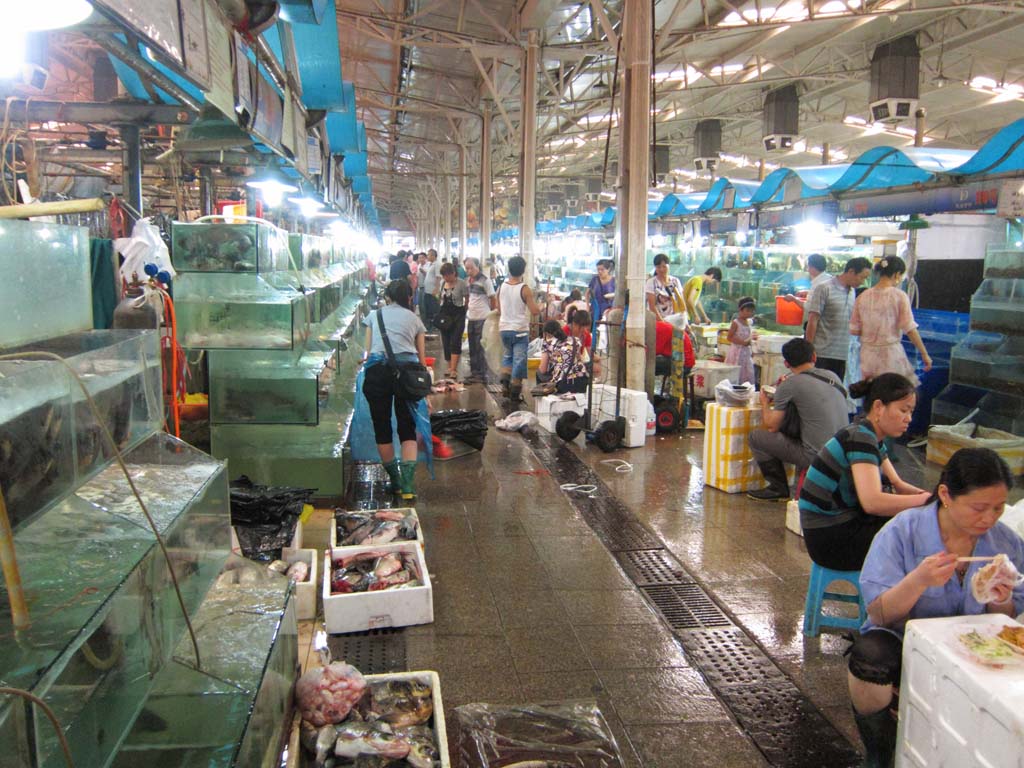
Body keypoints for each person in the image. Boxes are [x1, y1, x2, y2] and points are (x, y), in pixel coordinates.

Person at [847, 448, 1022, 766]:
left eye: (998, 508)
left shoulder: (1006, 544)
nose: (989, 518)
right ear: (945, 494)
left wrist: (1001, 599)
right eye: (979, 508)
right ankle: (878, 753)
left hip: (976, 649)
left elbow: (1007, 621)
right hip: (903, 643)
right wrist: (918, 580)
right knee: (868, 658)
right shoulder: (903, 532)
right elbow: (879, 614)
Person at [799, 373, 931, 571]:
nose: (909, 419)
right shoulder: (861, 438)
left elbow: (899, 485)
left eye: (911, 412)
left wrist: (932, 500)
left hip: (833, 528)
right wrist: (929, 501)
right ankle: (894, 598)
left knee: (915, 524)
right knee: (914, 536)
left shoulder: (868, 435)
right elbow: (872, 502)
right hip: (830, 537)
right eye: (904, 410)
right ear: (878, 407)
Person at [747, 338, 850, 501]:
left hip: (817, 456)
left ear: (786, 364)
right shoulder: (833, 376)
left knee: (756, 437)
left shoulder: (789, 385)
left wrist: (765, 403)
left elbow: (772, 426)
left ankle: (777, 488)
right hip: (844, 451)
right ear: (814, 357)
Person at [361, 279, 427, 502]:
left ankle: (396, 481)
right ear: (409, 297)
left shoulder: (374, 316)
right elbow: (421, 357)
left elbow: (367, 352)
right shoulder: (415, 319)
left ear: (388, 296)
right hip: (407, 375)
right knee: (407, 426)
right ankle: (408, 485)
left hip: (378, 373)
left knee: (382, 426)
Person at [850, 256, 933, 386]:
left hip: (867, 356)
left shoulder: (862, 297)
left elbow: (855, 330)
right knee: (893, 393)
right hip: (890, 355)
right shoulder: (899, 296)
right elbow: (909, 328)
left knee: (873, 392)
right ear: (897, 274)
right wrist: (924, 354)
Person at [804, 256, 872, 380]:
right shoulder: (824, 288)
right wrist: (808, 351)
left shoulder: (852, 292)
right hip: (821, 354)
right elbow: (813, 320)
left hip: (842, 355)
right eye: (862, 277)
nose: (863, 281)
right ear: (851, 271)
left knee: (835, 392)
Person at [496, 255, 541, 403]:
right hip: (520, 330)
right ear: (523, 270)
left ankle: (504, 384)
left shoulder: (502, 286)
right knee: (519, 361)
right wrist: (543, 305)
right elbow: (534, 311)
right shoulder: (524, 288)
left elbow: (498, 308)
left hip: (504, 328)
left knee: (508, 356)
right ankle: (515, 393)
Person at [464, 256, 495, 384]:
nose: (469, 270)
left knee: (480, 346)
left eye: (471, 268)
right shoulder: (468, 281)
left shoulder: (485, 281)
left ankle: (482, 374)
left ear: (477, 266)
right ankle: (474, 372)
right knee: (472, 347)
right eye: (467, 268)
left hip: (482, 318)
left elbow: (492, 298)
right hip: (472, 317)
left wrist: (492, 315)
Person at [536, 320, 589, 395]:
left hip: (563, 384)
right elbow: (579, 359)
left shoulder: (547, 344)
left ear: (546, 334)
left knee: (539, 373)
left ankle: (541, 397)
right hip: (582, 381)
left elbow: (543, 369)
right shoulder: (575, 340)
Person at [436, 263, 468, 381]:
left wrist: (464, 310)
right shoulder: (442, 283)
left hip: (458, 316)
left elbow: (467, 299)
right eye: (444, 275)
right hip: (445, 316)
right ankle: (449, 367)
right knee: (446, 341)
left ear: (453, 273)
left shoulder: (462, 283)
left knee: (455, 340)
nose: (446, 278)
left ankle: (454, 369)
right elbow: (439, 298)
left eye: (447, 275)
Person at [725, 296, 758, 385]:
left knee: (747, 372)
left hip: (746, 352)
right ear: (740, 310)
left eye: (751, 311)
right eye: (747, 310)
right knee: (737, 372)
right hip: (737, 352)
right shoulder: (736, 323)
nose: (750, 313)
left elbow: (749, 335)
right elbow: (730, 337)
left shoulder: (749, 322)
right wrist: (743, 342)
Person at [645, 253, 684, 319]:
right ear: (655, 268)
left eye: (664, 266)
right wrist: (663, 323)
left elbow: (681, 302)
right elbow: (652, 307)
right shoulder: (651, 282)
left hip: (674, 319)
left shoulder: (675, 281)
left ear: (669, 266)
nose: (661, 269)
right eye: (658, 267)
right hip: (657, 321)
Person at [420, 249, 440, 330]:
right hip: (427, 291)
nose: (427, 256)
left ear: (433, 256)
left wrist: (436, 289)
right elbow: (430, 275)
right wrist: (424, 272)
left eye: (428, 255)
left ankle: (435, 326)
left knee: (433, 309)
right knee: (428, 309)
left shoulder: (437, 264)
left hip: (432, 291)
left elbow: (438, 277)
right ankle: (429, 325)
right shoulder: (430, 264)